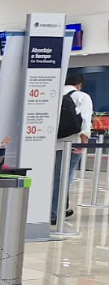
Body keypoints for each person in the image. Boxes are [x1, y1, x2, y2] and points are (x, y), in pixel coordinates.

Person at [54, 71, 94, 223]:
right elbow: (85, 122)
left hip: (50, 143)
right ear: (79, 84)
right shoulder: (82, 97)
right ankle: (55, 212)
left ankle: (54, 208)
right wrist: (83, 143)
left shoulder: (54, 94)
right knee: (64, 178)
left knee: (53, 177)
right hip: (71, 143)